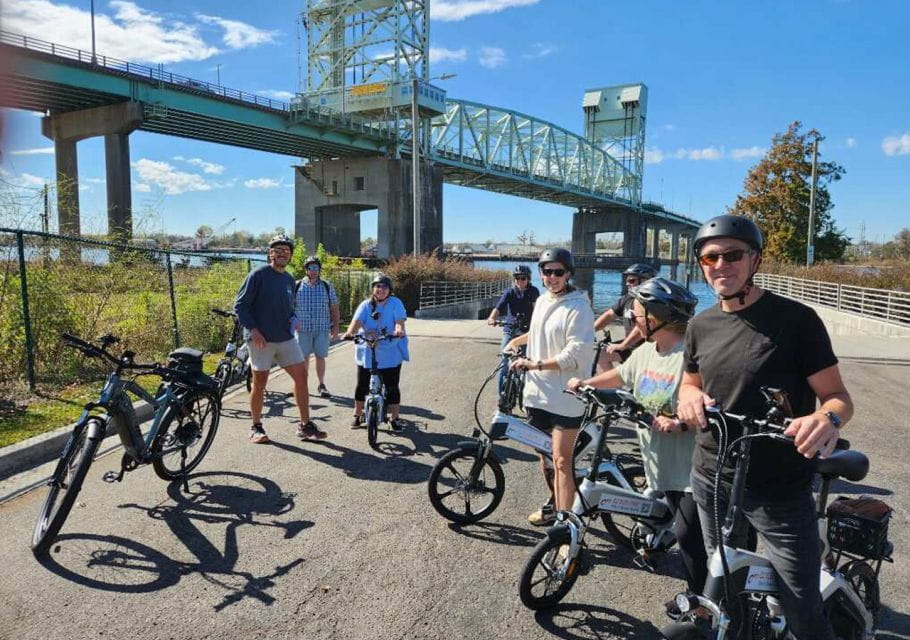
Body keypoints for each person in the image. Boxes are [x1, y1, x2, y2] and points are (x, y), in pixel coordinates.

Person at [675, 214, 853, 640]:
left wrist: (824, 418)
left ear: (755, 259)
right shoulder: (700, 324)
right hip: (712, 476)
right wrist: (687, 398)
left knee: (802, 611)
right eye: (710, 257)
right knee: (725, 592)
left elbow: (838, 398)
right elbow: (689, 381)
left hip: (779, 488)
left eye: (732, 255)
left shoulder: (797, 320)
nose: (721, 265)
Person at [568, 277, 708, 616]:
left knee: (693, 542)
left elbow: (708, 405)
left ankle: (703, 607)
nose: (631, 315)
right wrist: (586, 383)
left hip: (690, 470)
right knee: (680, 531)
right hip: (659, 463)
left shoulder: (690, 357)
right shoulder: (647, 351)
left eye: (639, 311)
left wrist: (680, 422)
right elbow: (621, 376)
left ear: (658, 316)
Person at [505, 248, 595, 526]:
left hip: (565, 398)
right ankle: (556, 505)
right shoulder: (543, 301)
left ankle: (566, 526)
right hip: (537, 395)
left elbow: (575, 355)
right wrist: (517, 342)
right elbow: (540, 331)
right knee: (544, 458)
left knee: (560, 461)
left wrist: (534, 364)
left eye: (558, 272)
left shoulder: (579, 307)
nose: (552, 277)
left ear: (568, 274)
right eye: (547, 271)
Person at [234, 234, 328, 444]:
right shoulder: (258, 275)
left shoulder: (288, 279)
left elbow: (288, 306)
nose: (282, 254)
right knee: (259, 383)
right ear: (270, 254)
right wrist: (254, 330)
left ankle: (305, 425)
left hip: (285, 338)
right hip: (261, 340)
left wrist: (293, 318)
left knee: (301, 377)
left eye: (286, 251)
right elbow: (240, 306)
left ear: (291, 255)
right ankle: (256, 427)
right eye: (277, 250)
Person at [341, 274, 409, 430]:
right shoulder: (366, 305)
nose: (381, 290)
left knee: (392, 386)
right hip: (369, 348)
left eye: (384, 287)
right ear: (373, 289)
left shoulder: (395, 303)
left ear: (389, 290)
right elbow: (356, 322)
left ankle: (395, 418)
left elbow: (399, 322)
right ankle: (357, 414)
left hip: (389, 349)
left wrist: (399, 330)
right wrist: (350, 333)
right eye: (377, 286)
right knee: (362, 385)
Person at [593, 263, 656, 371]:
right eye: (626, 280)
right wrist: (588, 331)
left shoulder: (651, 301)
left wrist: (623, 345)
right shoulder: (627, 298)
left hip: (647, 347)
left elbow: (643, 324)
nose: (627, 283)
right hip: (631, 345)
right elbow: (609, 315)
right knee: (603, 355)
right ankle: (614, 387)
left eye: (632, 281)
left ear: (646, 281)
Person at [487, 265, 539, 393]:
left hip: (526, 331)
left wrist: (538, 323)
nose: (520, 281)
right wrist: (492, 318)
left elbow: (537, 309)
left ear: (528, 279)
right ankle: (502, 398)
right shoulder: (509, 292)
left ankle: (525, 392)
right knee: (504, 362)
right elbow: (498, 307)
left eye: (523, 278)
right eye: (517, 278)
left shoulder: (533, 291)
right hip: (510, 329)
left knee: (527, 361)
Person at [294, 255, 340, 399]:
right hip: (302, 329)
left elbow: (334, 307)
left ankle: (321, 384)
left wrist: (336, 327)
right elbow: (289, 308)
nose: (313, 271)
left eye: (316, 268)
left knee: (320, 357)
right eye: (310, 268)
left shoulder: (327, 286)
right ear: (306, 270)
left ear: (319, 269)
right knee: (303, 358)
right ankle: (302, 385)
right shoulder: (297, 286)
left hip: (322, 328)